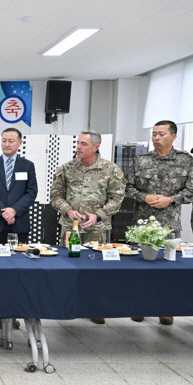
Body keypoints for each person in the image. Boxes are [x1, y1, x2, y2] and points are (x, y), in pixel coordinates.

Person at [125, 120, 193, 326]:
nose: (156, 138)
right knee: (139, 268)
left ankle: (166, 309)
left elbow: (192, 191)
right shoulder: (141, 160)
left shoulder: (185, 160)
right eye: (154, 134)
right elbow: (127, 187)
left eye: (161, 134)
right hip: (142, 224)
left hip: (169, 223)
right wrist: (144, 197)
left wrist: (171, 199)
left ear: (173, 137)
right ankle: (138, 306)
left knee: (168, 269)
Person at [50, 130, 125, 324]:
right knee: (67, 266)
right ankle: (66, 304)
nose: (79, 147)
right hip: (70, 227)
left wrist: (98, 215)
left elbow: (117, 198)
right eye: (78, 143)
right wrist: (67, 210)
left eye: (83, 144)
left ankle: (96, 307)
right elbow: (55, 195)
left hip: (97, 228)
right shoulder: (66, 168)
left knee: (96, 268)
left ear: (96, 147)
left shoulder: (110, 169)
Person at [0, 127, 38, 245]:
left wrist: (14, 210)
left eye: (11, 141)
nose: (6, 144)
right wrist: (4, 212)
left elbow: (31, 192)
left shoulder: (28, 166)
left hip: (19, 222)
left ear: (20, 143)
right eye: (3, 141)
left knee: (19, 260)